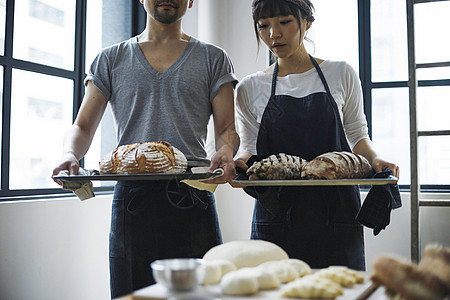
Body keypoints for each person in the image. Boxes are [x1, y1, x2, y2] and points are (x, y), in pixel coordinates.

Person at [52, 0, 239, 297]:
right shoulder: (110, 59)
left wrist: (226, 150)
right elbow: (83, 126)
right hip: (132, 200)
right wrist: (69, 154)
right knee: (132, 293)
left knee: (200, 294)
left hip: (193, 195)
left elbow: (226, 130)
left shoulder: (213, 58)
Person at [234, 0, 400, 271]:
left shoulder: (340, 72)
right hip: (277, 214)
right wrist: (236, 165)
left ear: (307, 22)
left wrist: (378, 160)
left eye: (284, 22)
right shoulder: (249, 87)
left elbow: (358, 135)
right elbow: (248, 148)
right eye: (264, 26)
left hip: (337, 214)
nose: (274, 34)